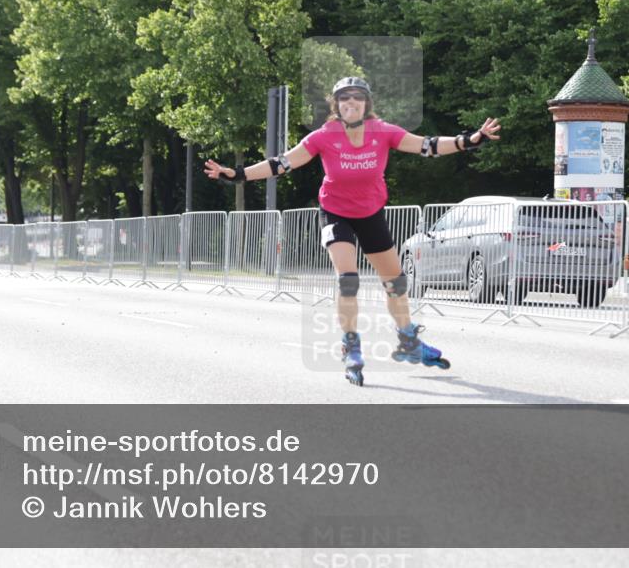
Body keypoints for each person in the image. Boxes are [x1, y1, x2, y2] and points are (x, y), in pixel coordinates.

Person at [204, 77, 501, 386]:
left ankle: (409, 340)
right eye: (344, 99)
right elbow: (282, 163)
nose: (350, 103)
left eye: (357, 98)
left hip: (370, 213)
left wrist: (471, 140)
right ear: (337, 106)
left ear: (366, 104)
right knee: (348, 280)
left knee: (396, 283)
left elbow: (427, 145)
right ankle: (351, 345)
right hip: (335, 212)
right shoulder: (324, 136)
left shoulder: (384, 132)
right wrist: (236, 174)